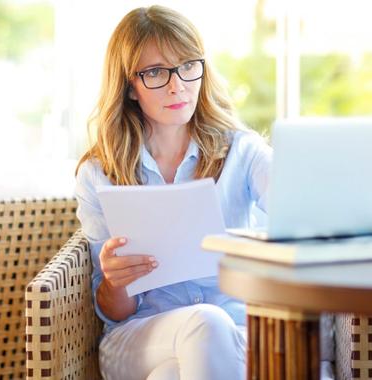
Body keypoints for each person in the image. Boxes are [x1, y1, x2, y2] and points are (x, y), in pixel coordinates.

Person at [74, 5, 271, 380]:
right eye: (155, 73)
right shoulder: (99, 173)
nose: (177, 84)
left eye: (187, 66)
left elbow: (300, 211)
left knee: (171, 373)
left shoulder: (243, 152)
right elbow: (113, 310)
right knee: (205, 325)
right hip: (140, 335)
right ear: (130, 87)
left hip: (237, 330)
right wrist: (116, 281)